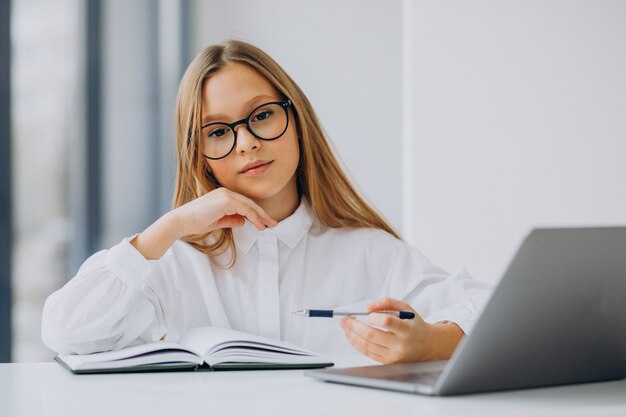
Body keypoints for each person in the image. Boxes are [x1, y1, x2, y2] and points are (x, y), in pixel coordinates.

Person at [41, 40, 491, 364]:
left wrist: (431, 342)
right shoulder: (174, 261)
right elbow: (65, 331)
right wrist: (171, 227)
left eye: (262, 116)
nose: (247, 143)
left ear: (296, 120)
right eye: (218, 131)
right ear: (199, 156)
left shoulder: (369, 252)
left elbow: (497, 312)